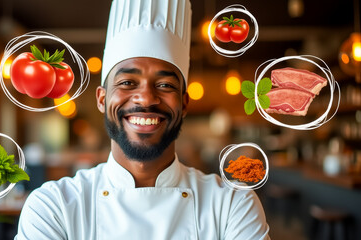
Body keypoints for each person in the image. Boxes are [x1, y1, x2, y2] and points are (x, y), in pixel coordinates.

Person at [16, 0, 270, 239]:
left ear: (183, 103)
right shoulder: (53, 206)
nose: (146, 99)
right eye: (127, 82)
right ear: (102, 99)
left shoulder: (232, 206)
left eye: (164, 84)